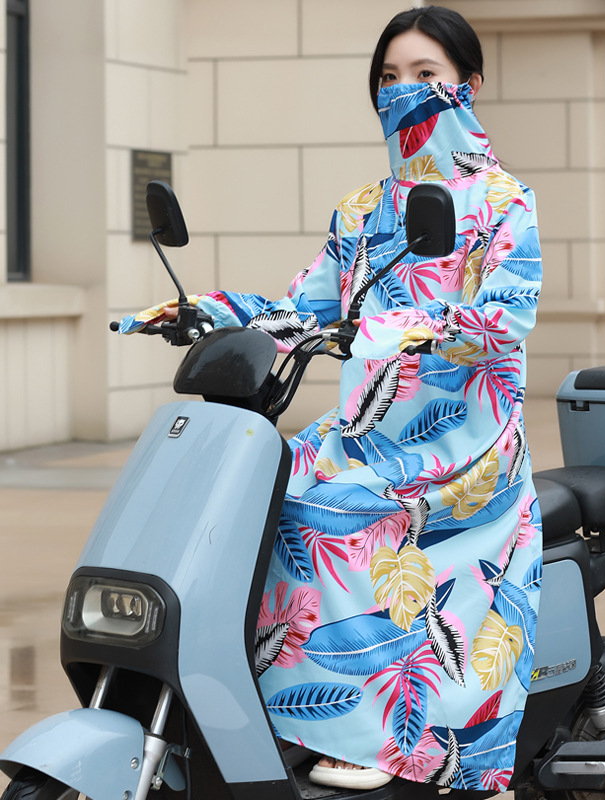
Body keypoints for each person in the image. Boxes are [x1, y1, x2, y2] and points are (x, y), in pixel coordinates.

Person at [120, 5, 543, 792]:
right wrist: (202, 310)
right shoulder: (360, 209)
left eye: (425, 75)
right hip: (364, 433)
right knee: (255, 500)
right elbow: (302, 309)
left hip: (465, 441)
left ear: (469, 86)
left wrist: (396, 326)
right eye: (389, 77)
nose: (403, 92)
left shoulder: (503, 201)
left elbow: (505, 318)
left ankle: (375, 735)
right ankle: (264, 715)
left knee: (329, 517)